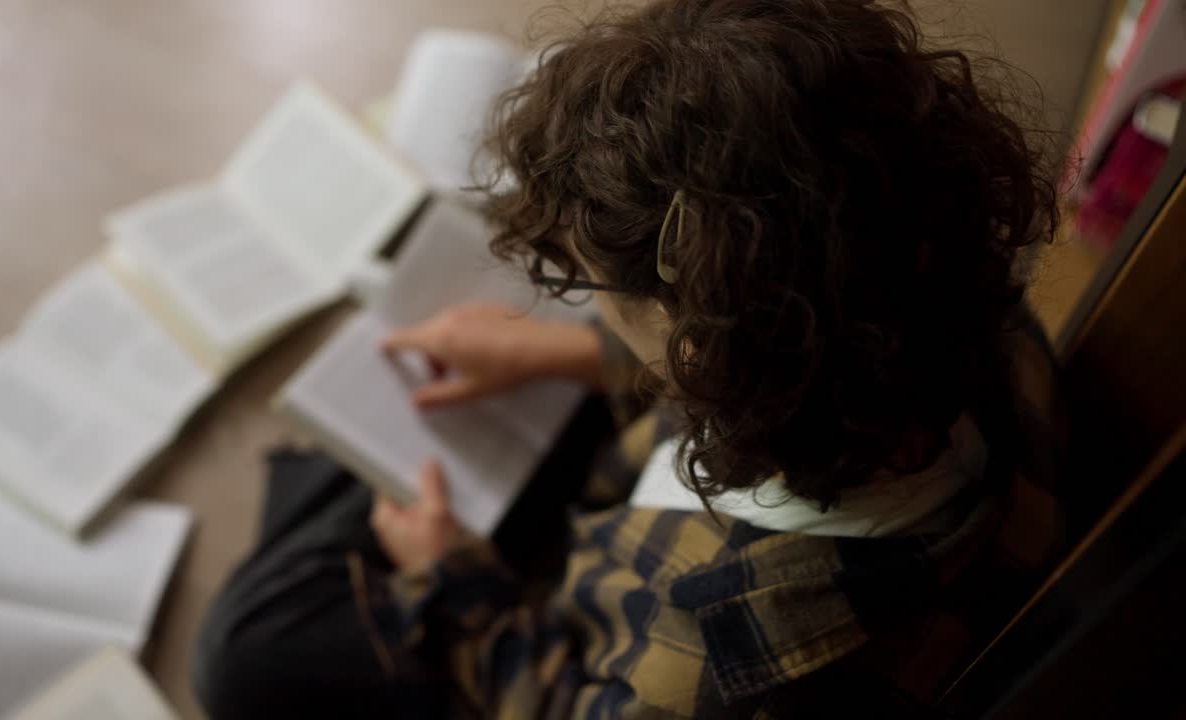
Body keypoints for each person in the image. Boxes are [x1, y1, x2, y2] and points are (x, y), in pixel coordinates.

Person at [193, 0, 1066, 716]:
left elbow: (566, 703)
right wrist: (569, 355)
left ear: (707, 353)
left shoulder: (702, 676)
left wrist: (452, 572)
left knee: (245, 657)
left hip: (581, 620)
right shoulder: (966, 307)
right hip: (662, 499)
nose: (586, 295)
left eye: (597, 288)